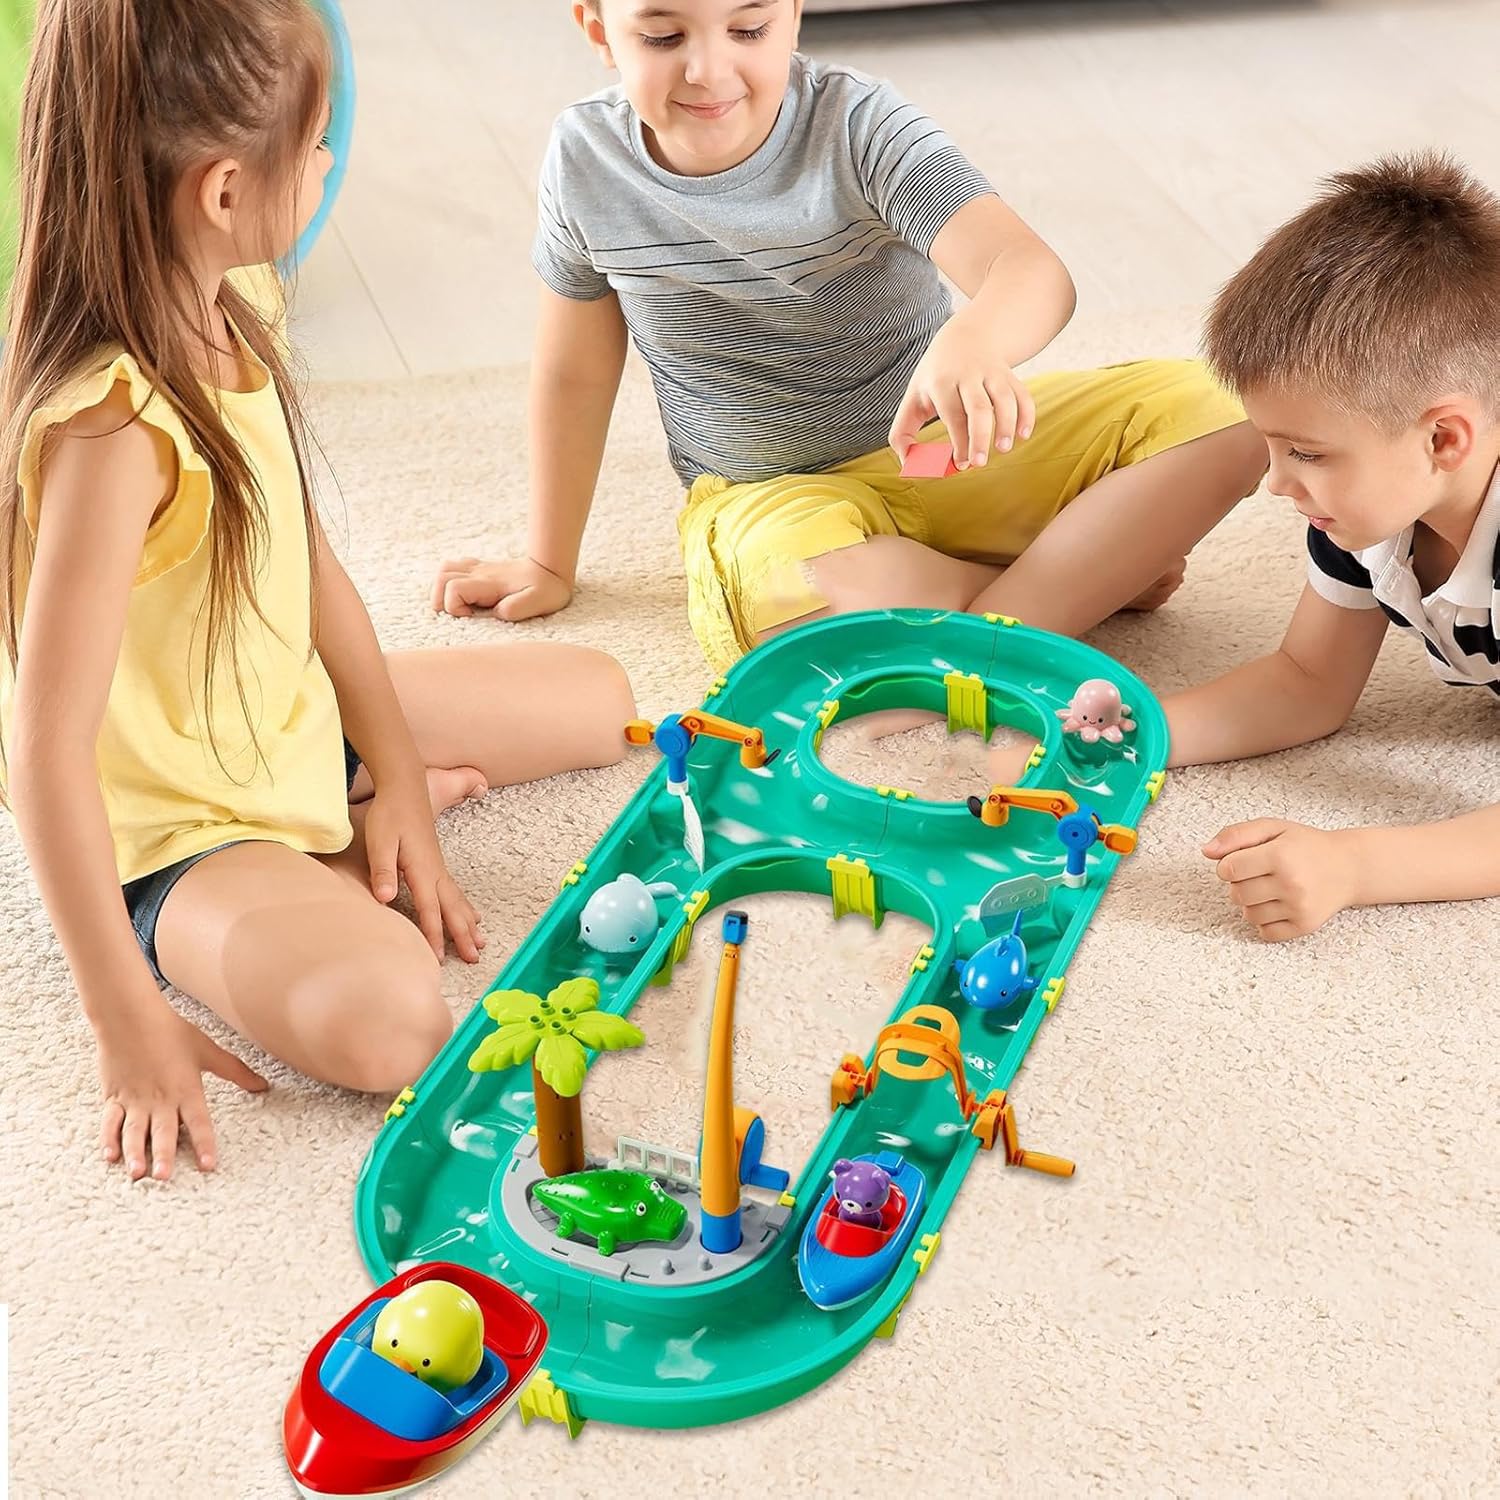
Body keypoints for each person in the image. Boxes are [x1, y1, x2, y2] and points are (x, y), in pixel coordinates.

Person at [0, 0, 634, 1181]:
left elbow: (310, 567)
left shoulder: (237, 307)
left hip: (281, 718)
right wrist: (123, 1020)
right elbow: (43, 756)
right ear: (225, 191)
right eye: (321, 142)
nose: (332, 160)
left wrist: (397, 782)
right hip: (180, 831)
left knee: (603, 698)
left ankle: (346, 829)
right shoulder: (111, 430)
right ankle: (308, 873)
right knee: (394, 1023)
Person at [431, 0, 1266, 674]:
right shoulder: (583, 158)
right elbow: (574, 373)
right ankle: (1074, 582)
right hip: (772, 497)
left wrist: (974, 342)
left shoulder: (859, 123)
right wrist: (550, 562)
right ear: (597, 28)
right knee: (796, 604)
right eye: (662, 35)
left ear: (794, 15)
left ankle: (988, 620)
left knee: (1236, 407)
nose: (708, 70)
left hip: (947, 454)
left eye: (748, 28)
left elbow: (1029, 268)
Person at [1166, 154, 1500, 940]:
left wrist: (1353, 865)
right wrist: (1130, 735)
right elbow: (1307, 680)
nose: (1275, 483)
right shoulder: (1368, 514)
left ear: (1443, 439)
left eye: (1307, 453)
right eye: (1272, 446)